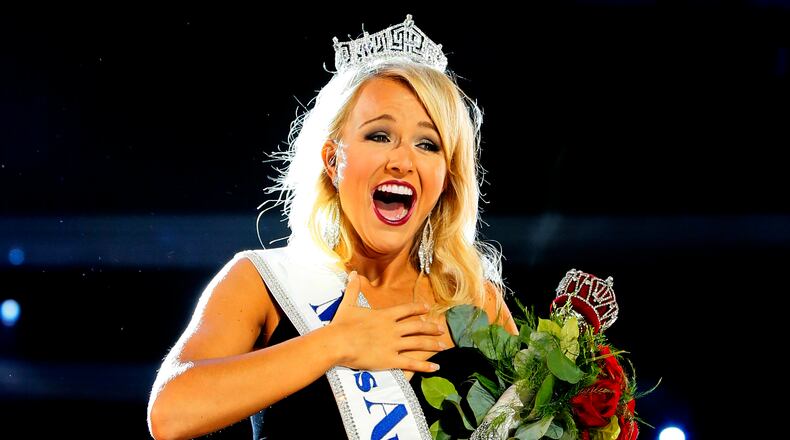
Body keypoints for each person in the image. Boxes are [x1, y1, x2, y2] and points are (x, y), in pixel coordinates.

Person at [147, 15, 518, 440]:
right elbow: (171, 413)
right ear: (332, 161)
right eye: (379, 135)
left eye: (428, 144)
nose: (402, 160)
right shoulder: (263, 282)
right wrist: (335, 344)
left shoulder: (475, 299)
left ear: (447, 177)